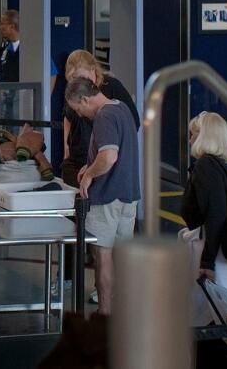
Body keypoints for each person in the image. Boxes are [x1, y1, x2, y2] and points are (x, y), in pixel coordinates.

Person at [65, 77, 141, 316]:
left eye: (79, 109)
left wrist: (89, 176)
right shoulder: (122, 108)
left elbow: (109, 157)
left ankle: (105, 312)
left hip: (107, 196)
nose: (81, 115)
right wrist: (89, 166)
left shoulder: (104, 116)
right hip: (128, 195)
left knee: (103, 256)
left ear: (85, 99)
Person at [181, 112, 227, 286]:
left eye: (193, 134)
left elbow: (215, 214)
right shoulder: (221, 167)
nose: (189, 141)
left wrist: (207, 263)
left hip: (216, 256)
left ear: (203, 136)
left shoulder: (206, 166)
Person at [61, 50, 139, 187]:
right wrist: (66, 149)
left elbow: (133, 122)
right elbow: (67, 117)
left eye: (82, 78)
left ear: (93, 70)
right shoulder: (74, 92)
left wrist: (111, 154)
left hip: (103, 154)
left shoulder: (111, 91)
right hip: (79, 155)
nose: (79, 84)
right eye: (74, 80)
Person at [0, 9, 21, 83]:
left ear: (12, 27)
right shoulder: (4, 48)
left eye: (2, 24)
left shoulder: (29, 47)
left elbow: (52, 73)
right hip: (8, 93)